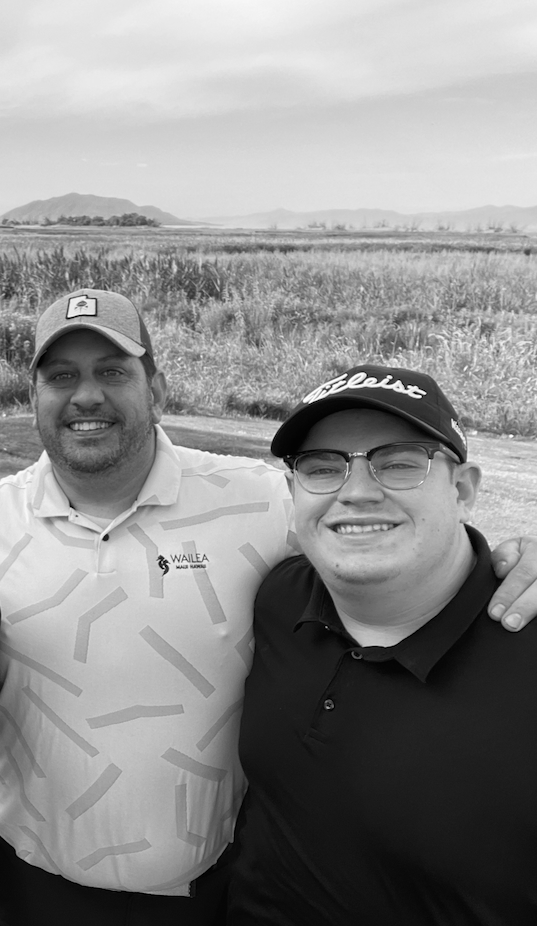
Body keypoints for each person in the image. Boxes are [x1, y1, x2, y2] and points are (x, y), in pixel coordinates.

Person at [0, 289, 537, 926]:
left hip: (211, 893)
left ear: (158, 389)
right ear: (33, 397)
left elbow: (379, 533)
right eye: (60, 376)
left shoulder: (258, 500)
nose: (86, 395)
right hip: (34, 885)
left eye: (113, 371)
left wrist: (517, 557)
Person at [226, 365, 537, 924]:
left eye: (398, 464)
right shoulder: (277, 599)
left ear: (462, 489)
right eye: (322, 469)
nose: (358, 493)